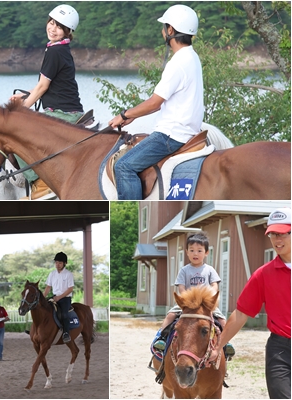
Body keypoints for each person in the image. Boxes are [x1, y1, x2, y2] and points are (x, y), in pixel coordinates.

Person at [108, 4, 203, 200]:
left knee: (123, 166)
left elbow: (155, 103)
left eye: (164, 27)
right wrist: (132, 116)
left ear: (170, 30)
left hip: (171, 135)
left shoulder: (177, 63)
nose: (163, 31)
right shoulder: (192, 57)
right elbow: (161, 102)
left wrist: (124, 115)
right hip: (189, 131)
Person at [209, 208, 291, 399]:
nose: (277, 240)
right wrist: (218, 346)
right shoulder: (263, 275)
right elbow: (241, 313)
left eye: (282, 234)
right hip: (281, 351)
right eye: (272, 234)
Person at [10, 4, 84, 200]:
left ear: (68, 32)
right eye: (51, 23)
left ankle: (39, 182)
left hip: (63, 112)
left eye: (59, 27)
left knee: (15, 129)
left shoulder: (54, 52)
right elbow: (48, 85)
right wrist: (25, 97)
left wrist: (21, 110)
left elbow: (43, 87)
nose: (52, 28)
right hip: (67, 108)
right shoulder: (60, 49)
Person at [152, 232, 233, 357]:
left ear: (206, 252)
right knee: (171, 315)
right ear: (187, 252)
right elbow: (181, 287)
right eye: (192, 250)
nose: (195, 253)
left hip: (205, 304)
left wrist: (210, 296)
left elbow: (214, 285)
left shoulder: (209, 270)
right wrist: (186, 300)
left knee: (222, 319)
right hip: (187, 304)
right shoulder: (184, 270)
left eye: (199, 250)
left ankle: (226, 343)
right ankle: (161, 338)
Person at [43, 251, 74, 343]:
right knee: (42, 310)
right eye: (56, 262)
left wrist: (59, 297)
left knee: (64, 314)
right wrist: (43, 297)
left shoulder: (68, 274)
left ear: (65, 263)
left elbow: (70, 289)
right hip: (54, 297)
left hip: (65, 298)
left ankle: (66, 333)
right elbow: (48, 287)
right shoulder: (52, 274)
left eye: (60, 262)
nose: (58, 264)